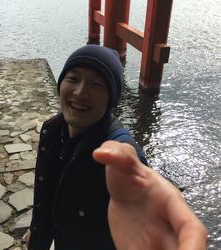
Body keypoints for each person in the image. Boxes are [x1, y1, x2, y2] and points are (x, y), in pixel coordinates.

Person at [23, 44, 207, 250]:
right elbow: (48, 191)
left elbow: (137, 186)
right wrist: (37, 229)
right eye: (73, 79)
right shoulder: (54, 130)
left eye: (97, 84)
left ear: (110, 100)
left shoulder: (117, 154)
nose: (81, 91)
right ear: (60, 85)